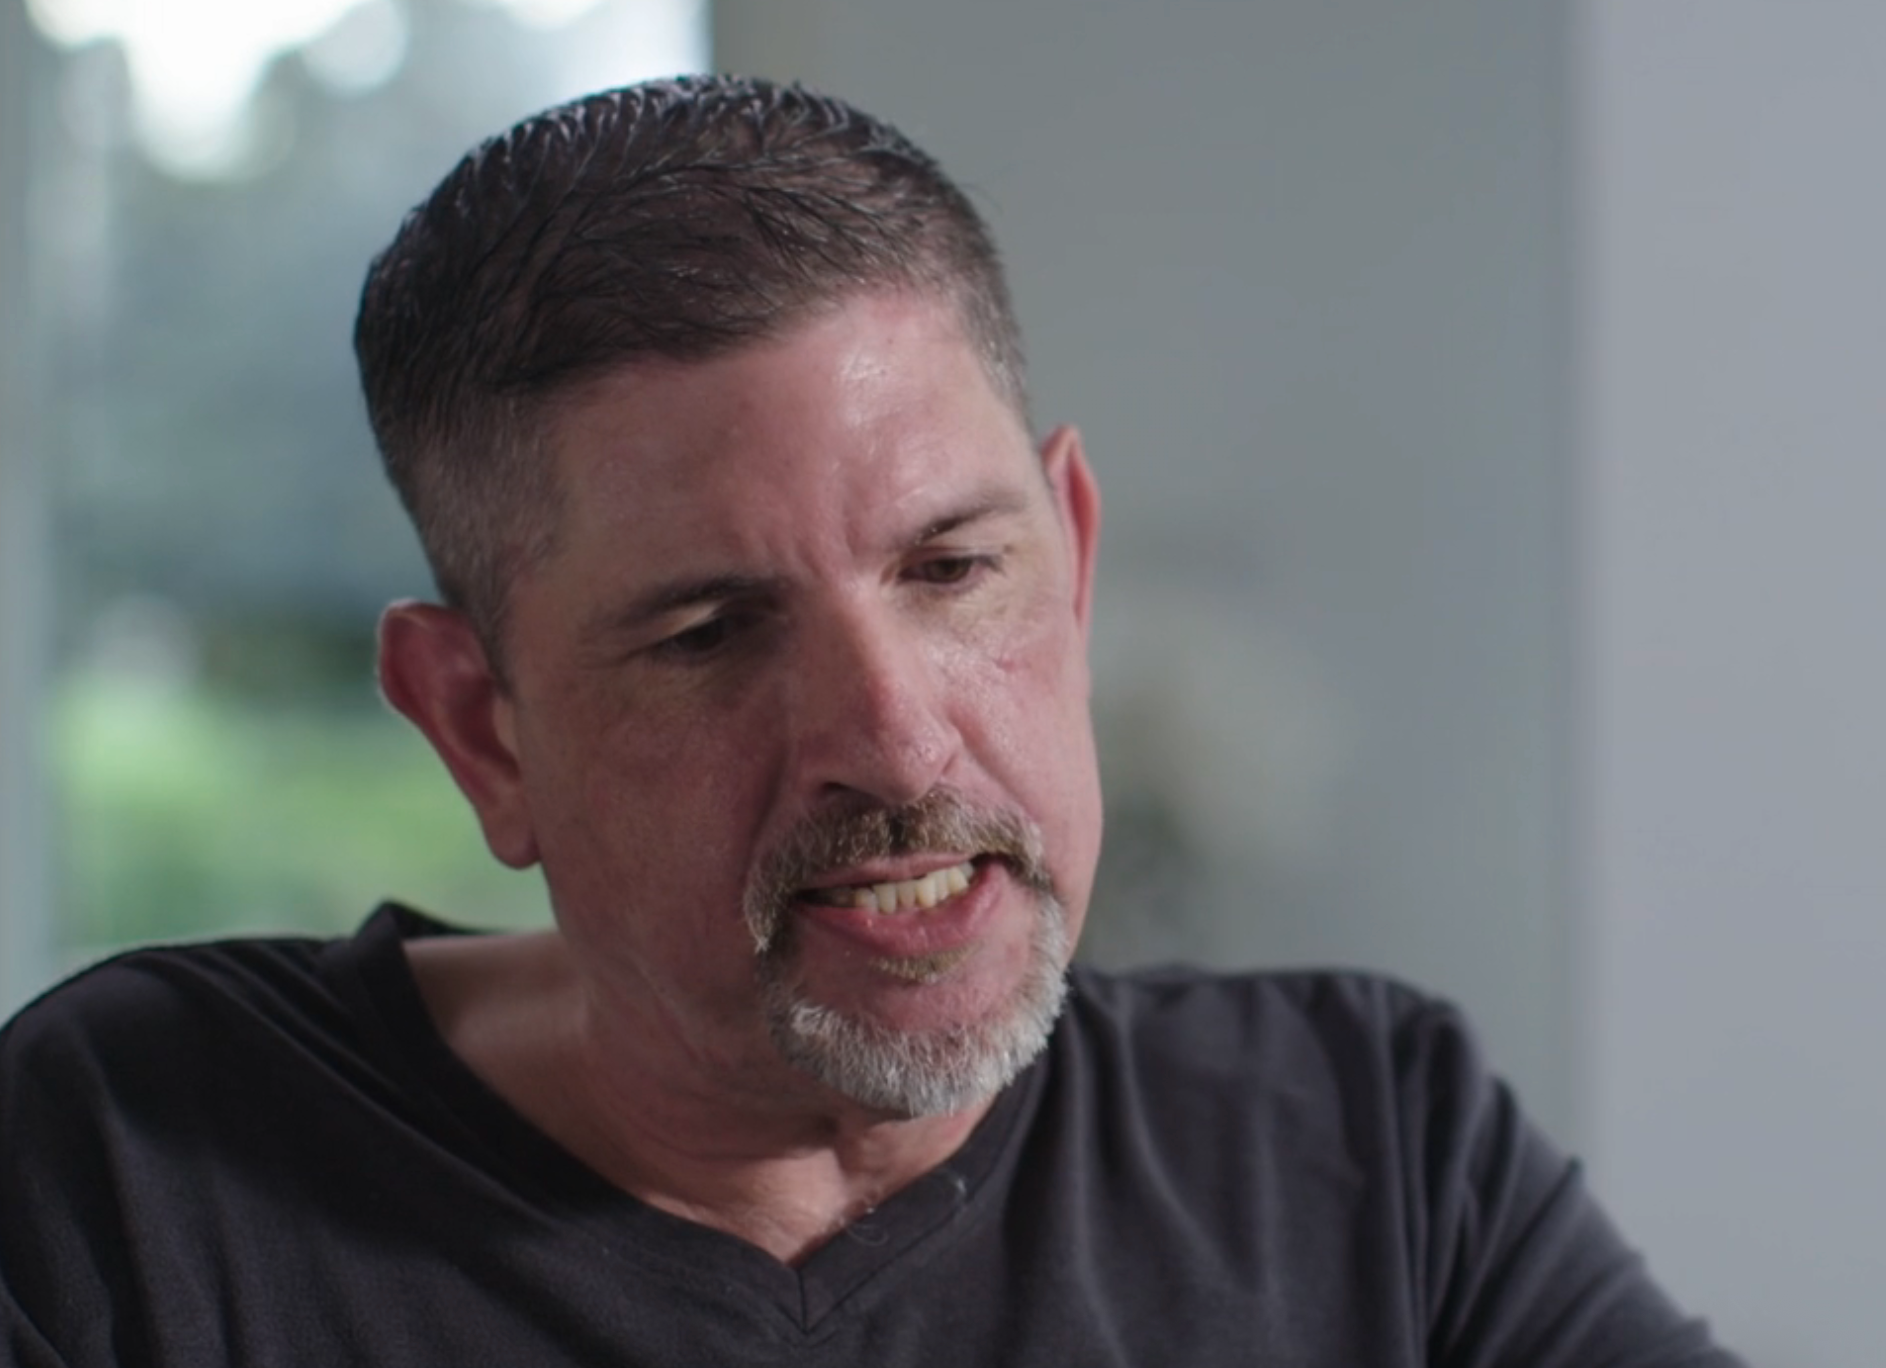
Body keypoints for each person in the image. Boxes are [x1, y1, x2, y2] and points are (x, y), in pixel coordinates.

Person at [0, 75, 1742, 1366]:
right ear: (483, 729)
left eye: (951, 569)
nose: (900, 746)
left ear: (1065, 553)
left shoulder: (1366, 1145)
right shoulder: (132, 1178)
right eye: (708, 631)